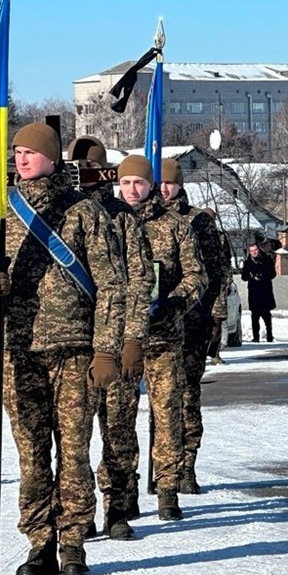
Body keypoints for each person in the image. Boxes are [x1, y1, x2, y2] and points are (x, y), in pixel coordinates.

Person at [0, 124, 126, 575]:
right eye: (17, 151)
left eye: (31, 151)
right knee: (31, 455)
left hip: (74, 352)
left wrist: (106, 348)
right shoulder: (1, 214)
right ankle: (40, 542)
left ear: (53, 157)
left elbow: (113, 285)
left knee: (73, 451)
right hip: (20, 351)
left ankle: (73, 542)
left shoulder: (84, 214)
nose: (22, 158)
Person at [65, 136, 152, 539]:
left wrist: (133, 339)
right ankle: (77, 516)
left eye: (89, 165)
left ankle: (117, 507)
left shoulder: (121, 217)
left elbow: (138, 282)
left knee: (117, 428)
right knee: (74, 438)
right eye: (76, 164)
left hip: (114, 344)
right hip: (73, 344)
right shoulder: (59, 213)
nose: (82, 172)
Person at [113, 154, 205, 521]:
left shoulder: (175, 225)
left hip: (164, 336)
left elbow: (196, 276)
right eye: (125, 183)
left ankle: (167, 487)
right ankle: (123, 490)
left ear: (151, 184)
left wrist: (173, 305)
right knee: (118, 417)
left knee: (166, 414)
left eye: (138, 182)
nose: (132, 190)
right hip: (120, 339)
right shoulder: (106, 222)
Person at [161, 158, 225, 495]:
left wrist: (217, 316)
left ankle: (186, 465)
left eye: (169, 183)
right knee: (160, 402)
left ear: (180, 185)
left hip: (192, 321)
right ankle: (163, 469)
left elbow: (217, 271)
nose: (164, 188)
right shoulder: (144, 218)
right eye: (159, 182)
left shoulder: (199, 221)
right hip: (157, 326)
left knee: (186, 397)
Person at [241, 243, 276, 342]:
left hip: (265, 291)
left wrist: (262, 276)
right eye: (251, 251)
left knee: (266, 315)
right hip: (254, 292)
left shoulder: (267, 260)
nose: (254, 252)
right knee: (254, 316)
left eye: (255, 250)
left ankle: (269, 335)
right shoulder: (247, 263)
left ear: (259, 250)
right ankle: (255, 337)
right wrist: (251, 276)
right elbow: (244, 277)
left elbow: (273, 274)